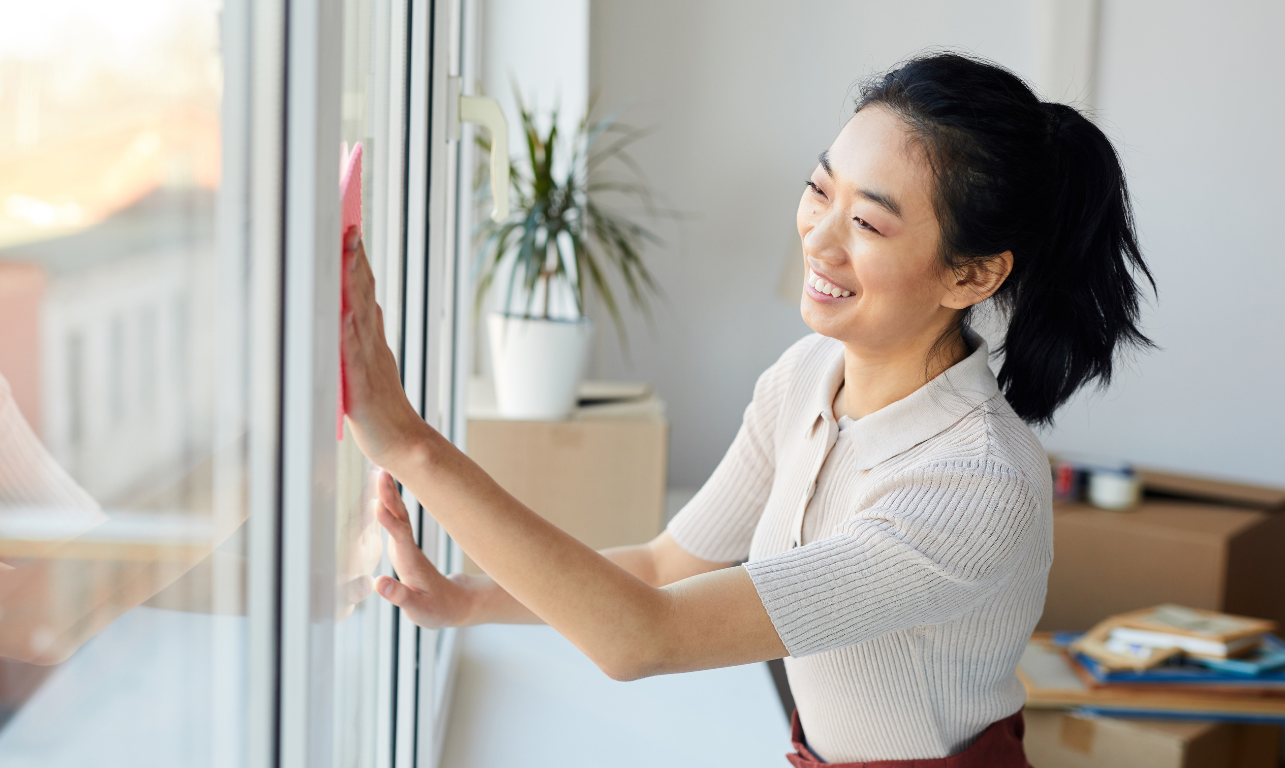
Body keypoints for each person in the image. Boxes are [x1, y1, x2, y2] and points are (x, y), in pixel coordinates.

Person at [340, 52, 1154, 767]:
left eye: (867, 222)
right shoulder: (807, 375)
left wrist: (411, 445)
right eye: (818, 190)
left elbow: (644, 636)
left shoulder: (973, 484)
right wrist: (468, 600)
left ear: (971, 277)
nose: (820, 239)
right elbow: (664, 569)